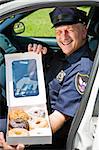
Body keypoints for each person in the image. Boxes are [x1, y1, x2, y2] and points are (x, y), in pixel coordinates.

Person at [0, 7, 93, 149]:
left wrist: (22, 140)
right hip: (35, 113)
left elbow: (58, 118)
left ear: (84, 31)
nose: (63, 37)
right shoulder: (64, 55)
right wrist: (36, 59)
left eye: (69, 30)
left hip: (48, 134)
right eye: (59, 32)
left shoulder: (81, 70)